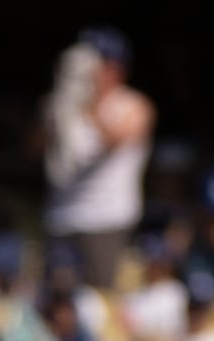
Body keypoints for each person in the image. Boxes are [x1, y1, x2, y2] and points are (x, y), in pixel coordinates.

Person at [40, 27, 155, 291]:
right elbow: (34, 150)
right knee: (58, 299)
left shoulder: (134, 105)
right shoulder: (61, 102)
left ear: (115, 67)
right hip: (61, 218)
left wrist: (87, 104)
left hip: (106, 221)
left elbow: (116, 141)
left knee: (103, 298)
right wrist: (59, 105)